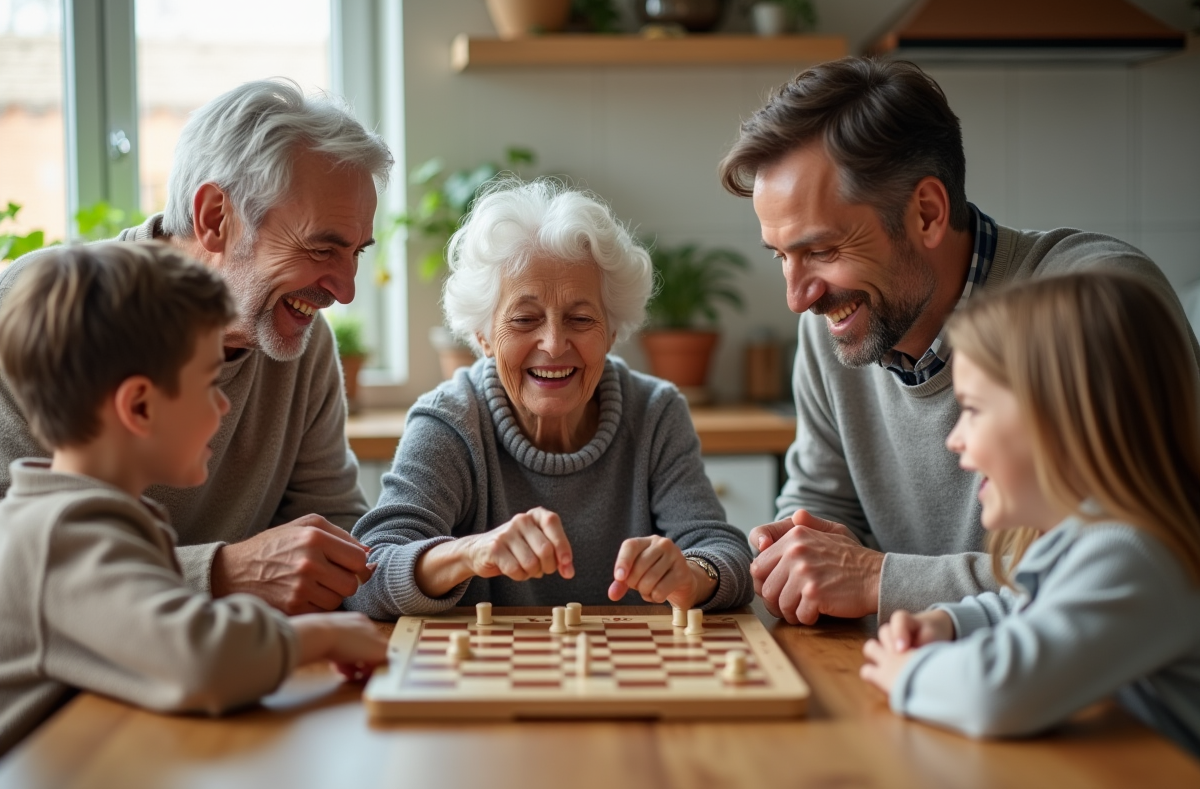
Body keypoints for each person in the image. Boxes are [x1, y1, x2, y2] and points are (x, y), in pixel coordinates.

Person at [716, 56, 1200, 623]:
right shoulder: (834, 329)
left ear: (925, 213)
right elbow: (821, 508)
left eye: (822, 251)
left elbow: (1143, 562)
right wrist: (798, 553)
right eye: (782, 256)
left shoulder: (1093, 305)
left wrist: (879, 578)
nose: (798, 296)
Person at [0, 79, 395, 615]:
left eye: (356, 253)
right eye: (321, 247)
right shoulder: (44, 310)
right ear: (214, 217)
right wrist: (218, 574)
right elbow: (14, 566)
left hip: (224, 672)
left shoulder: (301, 340)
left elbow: (335, 525)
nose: (344, 290)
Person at [0, 242, 388, 756]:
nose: (225, 402)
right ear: (139, 406)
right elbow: (199, 659)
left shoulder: (89, 519)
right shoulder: (62, 537)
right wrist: (322, 637)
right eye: (208, 382)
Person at [346, 179, 753, 618]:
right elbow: (366, 575)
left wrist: (693, 573)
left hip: (625, 677)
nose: (555, 344)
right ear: (482, 335)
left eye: (580, 318)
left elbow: (726, 553)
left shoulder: (655, 412)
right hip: (487, 678)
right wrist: (468, 554)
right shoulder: (450, 422)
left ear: (612, 331)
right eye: (524, 319)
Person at [859, 272, 1200, 756]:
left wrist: (907, 676)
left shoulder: (1133, 555)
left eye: (973, 410)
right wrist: (949, 624)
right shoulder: (1096, 539)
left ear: (1065, 422)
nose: (955, 438)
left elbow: (997, 694)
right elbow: (1028, 609)